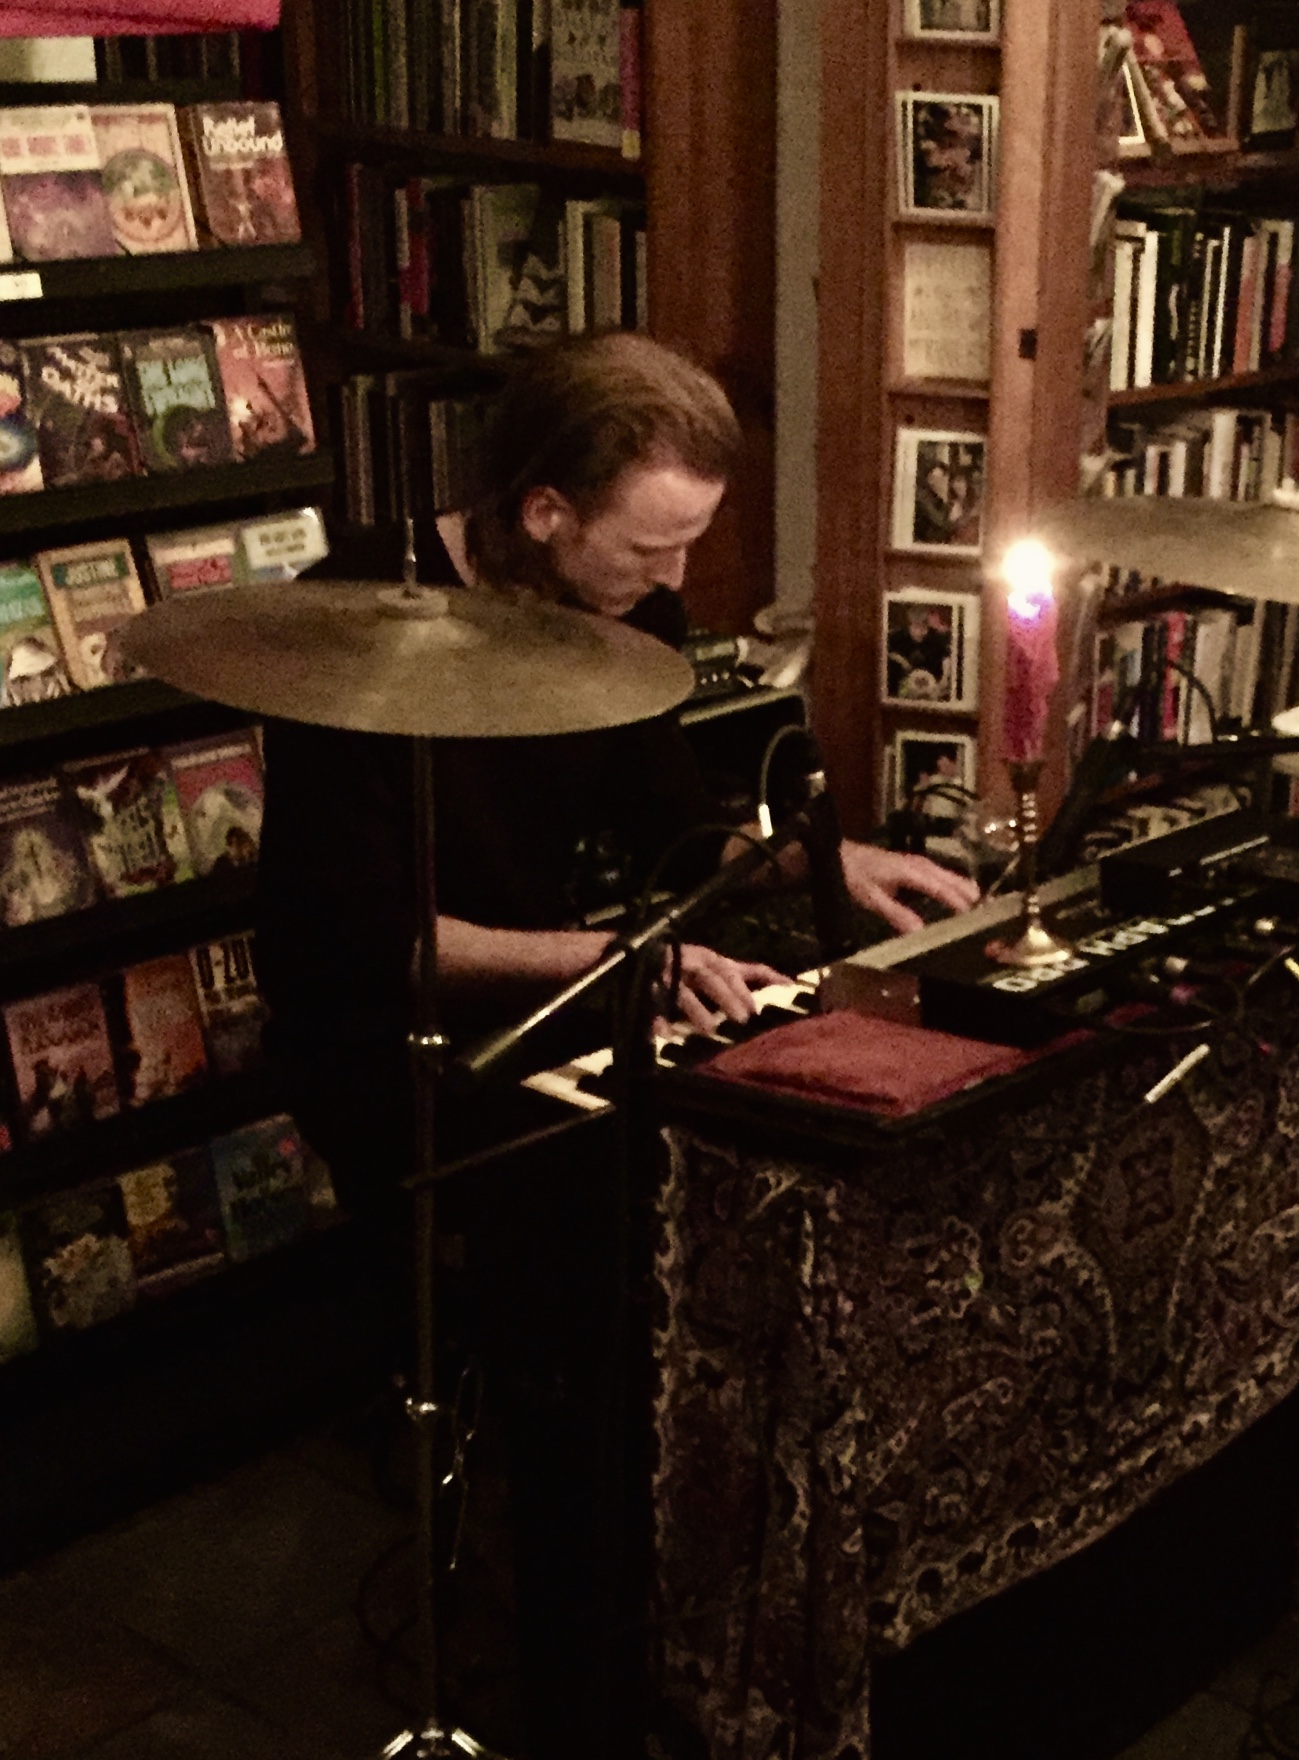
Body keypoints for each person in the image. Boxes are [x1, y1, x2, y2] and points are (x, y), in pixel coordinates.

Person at [254, 332, 977, 1755]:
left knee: (802, 1160)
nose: (672, 582)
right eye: (649, 547)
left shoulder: (626, 611)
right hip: (402, 1047)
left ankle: (740, 1591)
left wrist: (822, 867)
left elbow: (674, 820)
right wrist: (611, 963)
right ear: (542, 514)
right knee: (591, 1256)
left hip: (579, 1000)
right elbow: (367, 944)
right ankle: (586, 1666)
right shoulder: (348, 625)